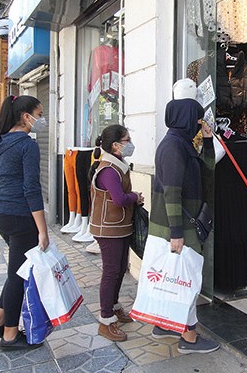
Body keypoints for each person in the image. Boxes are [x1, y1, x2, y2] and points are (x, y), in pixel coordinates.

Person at [148, 90, 220, 354]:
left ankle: (163, 324)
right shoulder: (173, 147)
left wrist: (209, 142)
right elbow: (172, 191)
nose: (200, 125)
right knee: (187, 280)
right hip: (177, 227)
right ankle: (189, 338)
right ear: (187, 118)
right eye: (198, 120)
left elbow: (207, 173)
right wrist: (177, 233)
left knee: (174, 277)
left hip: (178, 224)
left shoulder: (183, 143)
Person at [0, 95, 50, 351]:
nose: (42, 120)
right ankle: (10, 335)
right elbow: (32, 189)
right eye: (39, 114)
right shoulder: (26, 145)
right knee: (17, 276)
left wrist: (3, 194)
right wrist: (42, 230)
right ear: (25, 116)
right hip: (20, 218)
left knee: (17, 271)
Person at [89, 125, 144, 342]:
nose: (130, 144)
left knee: (120, 268)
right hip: (108, 228)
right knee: (111, 272)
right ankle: (105, 320)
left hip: (119, 226)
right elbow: (120, 199)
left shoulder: (118, 166)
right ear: (115, 145)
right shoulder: (109, 169)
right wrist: (135, 196)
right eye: (127, 140)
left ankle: (114, 306)